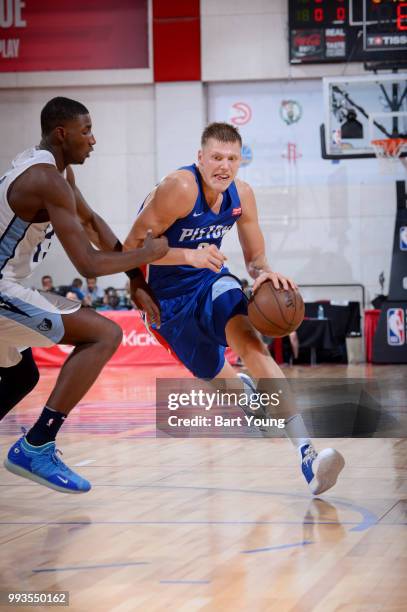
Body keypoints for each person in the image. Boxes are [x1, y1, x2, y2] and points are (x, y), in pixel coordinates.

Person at [124, 122, 344, 496]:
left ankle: (307, 454)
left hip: (212, 284)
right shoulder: (179, 189)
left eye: (231, 158)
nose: (223, 166)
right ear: (200, 158)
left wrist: (265, 276)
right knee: (231, 392)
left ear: (240, 161)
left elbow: (256, 259)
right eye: (216, 157)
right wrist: (188, 255)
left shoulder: (242, 194)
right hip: (166, 304)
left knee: (251, 345)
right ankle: (244, 393)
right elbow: (128, 249)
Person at [0, 96, 168, 494]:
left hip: (9, 284)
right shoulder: (46, 180)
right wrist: (146, 254)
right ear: (62, 133)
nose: (93, 140)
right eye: (86, 130)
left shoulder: (54, 171)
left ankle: (36, 444)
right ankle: (37, 446)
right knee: (104, 334)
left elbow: (91, 223)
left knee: (21, 375)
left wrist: (136, 278)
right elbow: (88, 265)